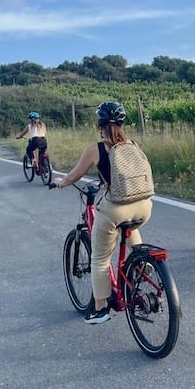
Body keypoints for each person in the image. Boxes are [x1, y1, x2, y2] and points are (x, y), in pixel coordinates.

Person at [50, 102, 153, 324]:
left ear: (99, 125)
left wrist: (61, 183)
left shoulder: (96, 149)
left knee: (99, 259)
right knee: (129, 225)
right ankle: (143, 263)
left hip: (116, 209)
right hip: (144, 206)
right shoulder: (132, 144)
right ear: (122, 123)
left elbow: (73, 176)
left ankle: (99, 309)